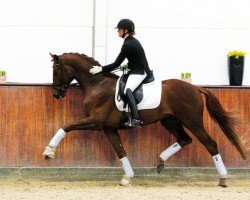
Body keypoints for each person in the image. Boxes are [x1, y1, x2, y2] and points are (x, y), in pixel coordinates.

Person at [89, 19, 153, 128]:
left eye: (119, 29)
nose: (117, 31)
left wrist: (101, 69)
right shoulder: (132, 41)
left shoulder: (128, 44)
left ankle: (136, 119)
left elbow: (116, 63)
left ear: (126, 30)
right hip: (136, 69)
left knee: (128, 89)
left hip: (139, 72)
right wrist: (127, 65)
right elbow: (137, 58)